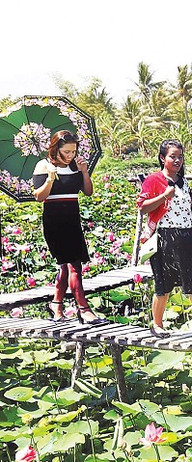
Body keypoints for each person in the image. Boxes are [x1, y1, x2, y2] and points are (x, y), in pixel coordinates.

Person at [136, 139, 192, 338]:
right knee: (163, 283)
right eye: (172, 156)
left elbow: (185, 205)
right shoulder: (154, 179)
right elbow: (143, 206)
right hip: (164, 235)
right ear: (162, 158)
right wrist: (164, 196)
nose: (177, 160)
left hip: (186, 235)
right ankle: (157, 324)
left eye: (180, 157)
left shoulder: (183, 181)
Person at [31, 130, 107, 325]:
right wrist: (49, 178)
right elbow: (39, 197)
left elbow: (87, 192)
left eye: (73, 151)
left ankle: (56, 304)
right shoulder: (44, 165)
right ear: (55, 148)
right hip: (54, 220)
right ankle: (84, 309)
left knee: (66, 265)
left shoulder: (75, 165)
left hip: (72, 218)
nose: (70, 155)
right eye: (66, 151)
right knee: (74, 264)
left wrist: (83, 171)